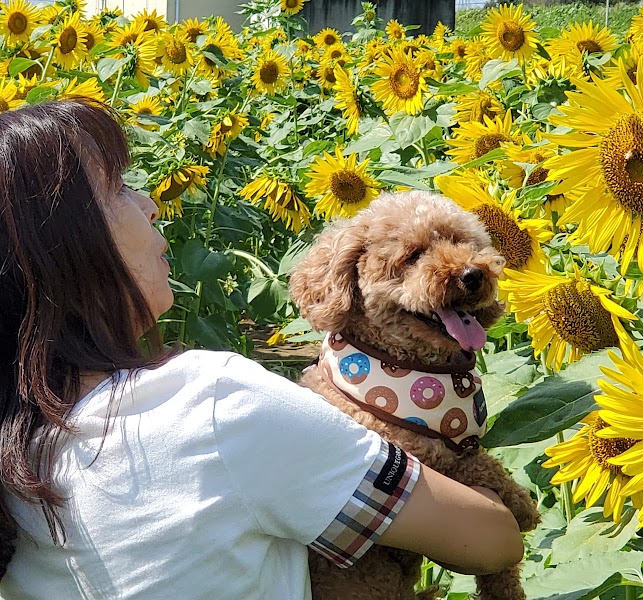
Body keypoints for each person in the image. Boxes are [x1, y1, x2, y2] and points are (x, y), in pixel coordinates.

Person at [0, 100, 523, 600]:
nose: (151, 203)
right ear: (64, 251)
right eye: (118, 190)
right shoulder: (215, 406)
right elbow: (493, 539)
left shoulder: (20, 440)